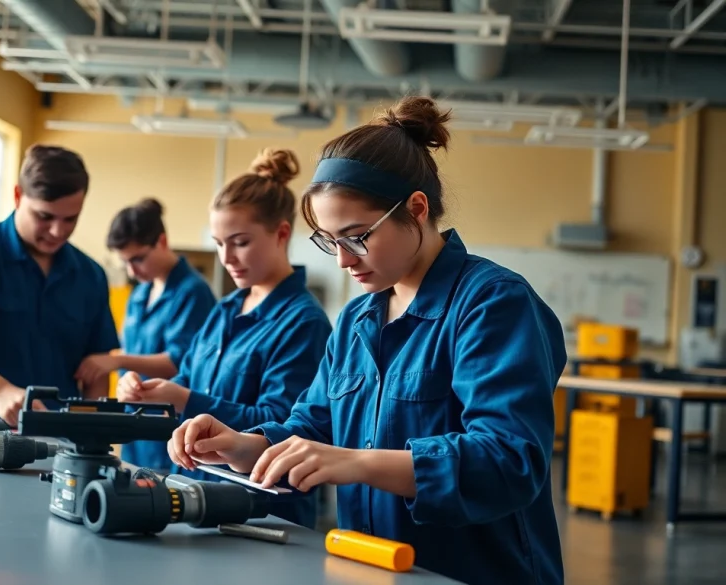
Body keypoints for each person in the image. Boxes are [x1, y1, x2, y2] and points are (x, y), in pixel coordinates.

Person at [167, 97, 566, 585]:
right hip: (371, 568)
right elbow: (314, 424)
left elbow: (508, 459)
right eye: (330, 241)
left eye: (356, 237)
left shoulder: (492, 305)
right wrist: (244, 446)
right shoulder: (358, 317)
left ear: (416, 210)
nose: (342, 260)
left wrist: (357, 462)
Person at [116, 148, 333, 529]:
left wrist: (185, 399)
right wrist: (148, 390)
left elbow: (283, 426)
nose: (227, 257)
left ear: (281, 233)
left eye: (240, 242)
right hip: (192, 495)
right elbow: (187, 378)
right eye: (219, 242)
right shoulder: (224, 310)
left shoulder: (303, 322)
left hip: (258, 513)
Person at [0, 145, 120, 425]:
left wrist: (90, 435)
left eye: (70, 219)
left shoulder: (91, 275)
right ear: (17, 196)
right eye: (44, 216)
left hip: (56, 445)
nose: (57, 231)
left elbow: (96, 368)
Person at [76, 198, 216, 468]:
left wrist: (117, 360)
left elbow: (179, 362)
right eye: (125, 262)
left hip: (169, 427)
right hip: (134, 426)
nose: (132, 270)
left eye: (138, 258)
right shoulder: (140, 293)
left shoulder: (192, 292)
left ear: (161, 241)